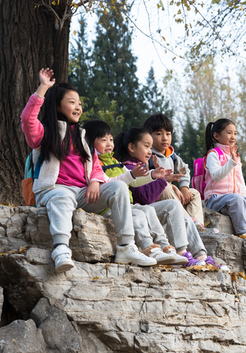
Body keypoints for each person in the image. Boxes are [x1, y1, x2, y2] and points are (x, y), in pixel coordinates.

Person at [20, 68, 172, 272]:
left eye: (79, 103)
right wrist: (43, 89)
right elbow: (27, 120)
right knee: (63, 196)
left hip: (82, 193)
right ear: (58, 105)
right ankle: (61, 248)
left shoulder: (83, 136)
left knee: (118, 187)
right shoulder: (46, 133)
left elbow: (96, 170)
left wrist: (94, 182)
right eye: (72, 102)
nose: (78, 107)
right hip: (53, 189)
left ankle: (126, 246)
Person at [114, 127, 228, 270]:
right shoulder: (129, 168)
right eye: (146, 146)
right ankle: (182, 252)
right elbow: (144, 197)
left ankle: (201, 257)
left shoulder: (143, 167)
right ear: (131, 147)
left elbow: (183, 171)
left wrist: (162, 178)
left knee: (186, 218)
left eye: (150, 147)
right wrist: (162, 180)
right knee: (173, 205)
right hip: (141, 211)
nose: (150, 151)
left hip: (148, 210)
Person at [83, 120, 187, 265]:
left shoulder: (115, 161)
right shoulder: (95, 163)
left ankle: (164, 247)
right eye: (103, 140)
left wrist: (152, 175)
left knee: (148, 210)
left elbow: (134, 181)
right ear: (89, 142)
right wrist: (132, 175)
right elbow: (110, 184)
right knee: (139, 214)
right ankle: (149, 248)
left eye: (111, 139)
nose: (109, 144)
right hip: (108, 206)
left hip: (127, 204)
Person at [143, 113, 217, 234]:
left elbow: (184, 170)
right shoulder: (148, 155)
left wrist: (183, 187)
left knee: (194, 193)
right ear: (148, 136)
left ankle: (199, 226)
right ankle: (189, 222)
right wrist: (170, 185)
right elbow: (144, 177)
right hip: (156, 196)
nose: (164, 138)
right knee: (165, 187)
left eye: (168, 134)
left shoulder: (172, 156)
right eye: (158, 134)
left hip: (172, 193)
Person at [203, 119, 246, 239]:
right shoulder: (213, 154)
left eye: (235, 133)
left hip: (234, 199)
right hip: (215, 198)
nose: (233, 137)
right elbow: (216, 176)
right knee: (236, 198)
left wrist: (245, 200)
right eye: (229, 133)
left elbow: (240, 181)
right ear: (216, 136)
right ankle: (244, 233)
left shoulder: (235, 157)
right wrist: (231, 162)